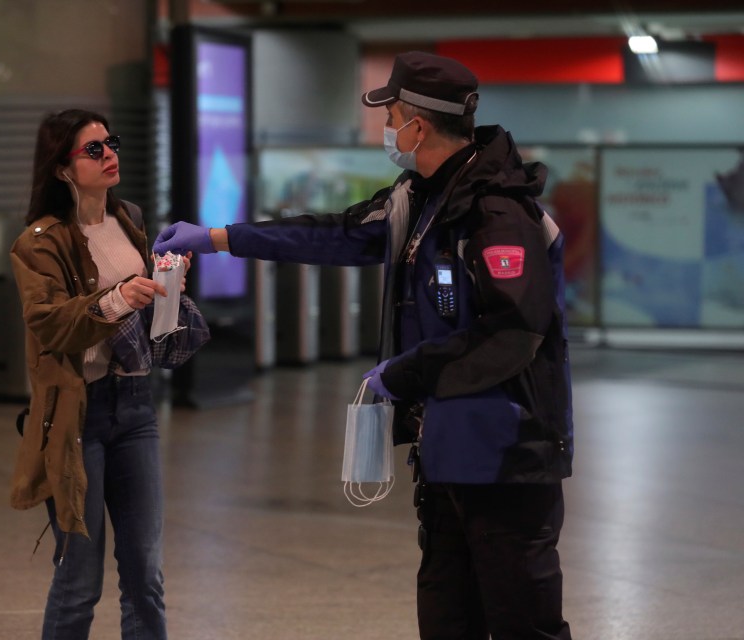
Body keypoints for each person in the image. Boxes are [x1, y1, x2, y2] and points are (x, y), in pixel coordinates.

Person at [153, 52, 574, 639]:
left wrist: (405, 374)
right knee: (448, 617)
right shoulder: (419, 196)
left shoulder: (498, 215)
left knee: (522, 621)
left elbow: (513, 332)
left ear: (418, 126)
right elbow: (337, 234)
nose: (388, 129)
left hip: (507, 456)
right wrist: (220, 237)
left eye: (392, 114)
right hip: (448, 448)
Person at [10, 108, 184, 640]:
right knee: (79, 579)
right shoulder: (40, 242)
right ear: (63, 168)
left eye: (111, 142)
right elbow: (48, 322)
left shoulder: (128, 218)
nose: (109, 154)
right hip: (76, 415)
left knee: (145, 575)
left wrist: (167, 284)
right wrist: (113, 301)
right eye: (93, 149)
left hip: (135, 407)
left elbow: (146, 311)